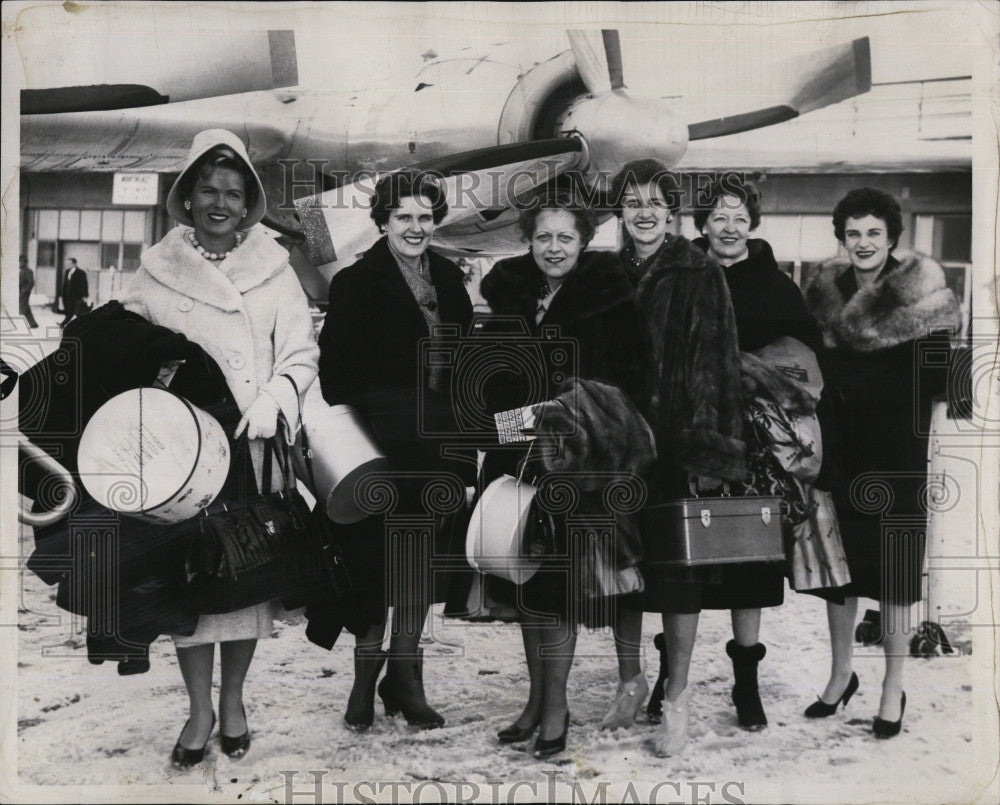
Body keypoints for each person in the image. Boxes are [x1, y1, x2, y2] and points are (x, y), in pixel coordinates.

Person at [124, 128, 319, 767]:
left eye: (232, 193)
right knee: (191, 585)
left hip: (250, 450)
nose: (218, 203)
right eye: (206, 190)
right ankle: (198, 709)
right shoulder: (155, 271)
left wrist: (276, 398)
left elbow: (301, 350)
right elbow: (126, 354)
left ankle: (232, 699)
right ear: (185, 195)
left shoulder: (274, 267)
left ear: (249, 202)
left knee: (246, 580)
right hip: (181, 459)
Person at [472, 193, 649, 759]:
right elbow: (486, 377)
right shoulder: (510, 299)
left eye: (565, 238)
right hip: (515, 454)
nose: (553, 248)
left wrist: (566, 414)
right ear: (530, 241)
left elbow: (629, 383)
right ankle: (535, 699)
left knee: (557, 591)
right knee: (523, 583)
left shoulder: (612, 302)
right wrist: (506, 422)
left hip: (579, 463)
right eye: (544, 237)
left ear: (583, 242)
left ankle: (556, 708)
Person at [314, 171, 474, 732]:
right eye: (403, 216)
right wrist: (388, 413)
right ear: (382, 222)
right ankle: (364, 681)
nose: (415, 227)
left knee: (419, 568)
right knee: (372, 567)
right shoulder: (356, 283)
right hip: (379, 448)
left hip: (438, 447)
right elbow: (334, 376)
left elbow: (466, 370)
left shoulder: (452, 281)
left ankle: (406, 678)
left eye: (425, 217)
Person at [802, 187, 960, 738]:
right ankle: (841, 674)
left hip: (896, 451)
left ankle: (893, 685)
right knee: (839, 572)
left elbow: (945, 380)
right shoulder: (823, 292)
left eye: (873, 232)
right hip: (839, 447)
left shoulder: (924, 293)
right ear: (841, 239)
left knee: (893, 575)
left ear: (892, 237)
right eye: (853, 233)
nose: (863, 242)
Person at [602, 161, 746, 757]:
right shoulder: (601, 273)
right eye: (632, 202)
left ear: (672, 210)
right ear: (619, 212)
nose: (643, 212)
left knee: (679, 579)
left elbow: (715, 363)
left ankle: (677, 699)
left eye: (655, 202)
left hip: (677, 447)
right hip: (613, 446)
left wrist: (707, 449)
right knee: (621, 573)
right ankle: (631, 680)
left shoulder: (698, 270)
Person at [60, 257, 89, 327]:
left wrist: (85, 296)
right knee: (69, 311)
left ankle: (65, 324)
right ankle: (64, 323)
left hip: (77, 296)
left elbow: (84, 285)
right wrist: (62, 294)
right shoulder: (67, 272)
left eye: (70, 263)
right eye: (67, 264)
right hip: (68, 296)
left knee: (78, 311)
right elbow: (65, 284)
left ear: (74, 264)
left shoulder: (81, 273)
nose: (68, 265)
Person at [19, 254, 39, 328]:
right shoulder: (20, 270)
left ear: (25, 262)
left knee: (22, 308)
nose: (20, 263)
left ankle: (19, 323)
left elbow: (31, 282)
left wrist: (25, 290)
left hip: (24, 293)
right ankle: (33, 324)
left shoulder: (28, 271)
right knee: (26, 307)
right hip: (20, 292)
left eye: (21, 262)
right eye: (19, 261)